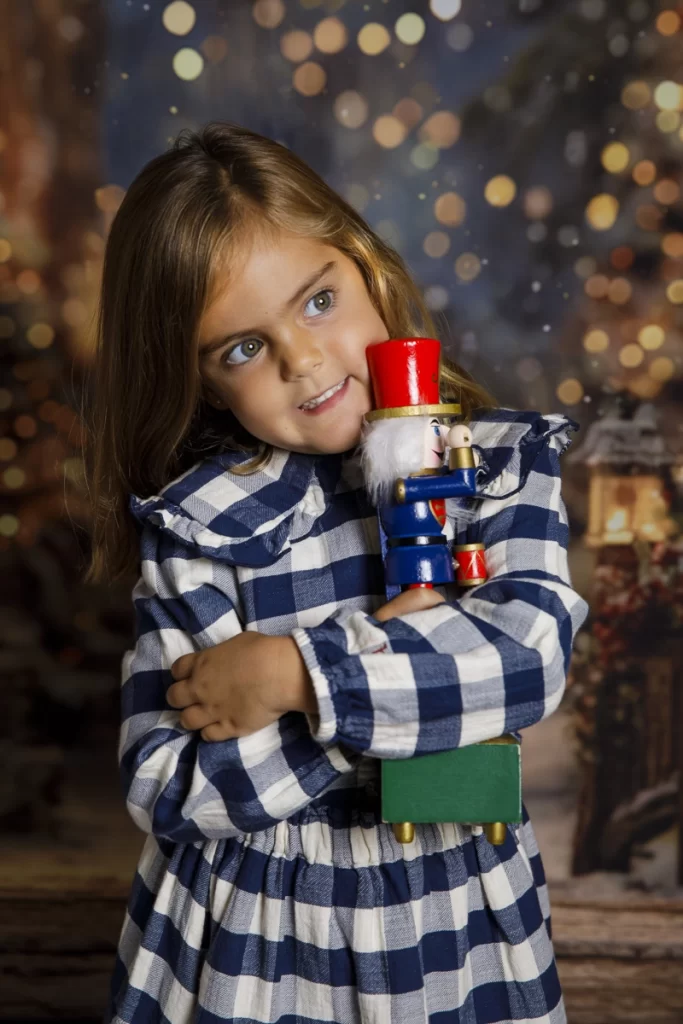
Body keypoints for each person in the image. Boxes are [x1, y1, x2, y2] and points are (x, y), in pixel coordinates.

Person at [84, 121, 589, 1024]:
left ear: (366, 266)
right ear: (199, 379)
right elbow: (166, 782)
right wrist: (411, 686)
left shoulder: (498, 470)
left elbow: (524, 660)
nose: (303, 360)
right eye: (242, 347)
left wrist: (297, 679)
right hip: (252, 947)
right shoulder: (202, 524)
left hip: (454, 925)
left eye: (318, 302)